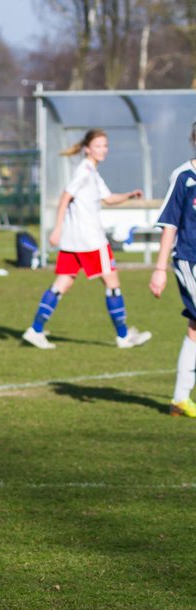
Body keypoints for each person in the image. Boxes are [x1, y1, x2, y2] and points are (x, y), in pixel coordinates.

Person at [21, 129, 151, 350]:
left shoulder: (92, 171)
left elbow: (108, 199)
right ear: (87, 148)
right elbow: (65, 196)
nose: (103, 150)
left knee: (61, 284)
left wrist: (129, 195)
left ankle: (35, 330)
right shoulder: (84, 171)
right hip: (91, 240)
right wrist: (56, 228)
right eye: (98, 146)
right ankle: (123, 336)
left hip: (74, 241)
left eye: (105, 146)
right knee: (112, 284)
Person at [148, 123, 196, 416]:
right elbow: (170, 224)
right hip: (190, 261)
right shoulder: (184, 177)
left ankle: (180, 398)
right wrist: (159, 268)